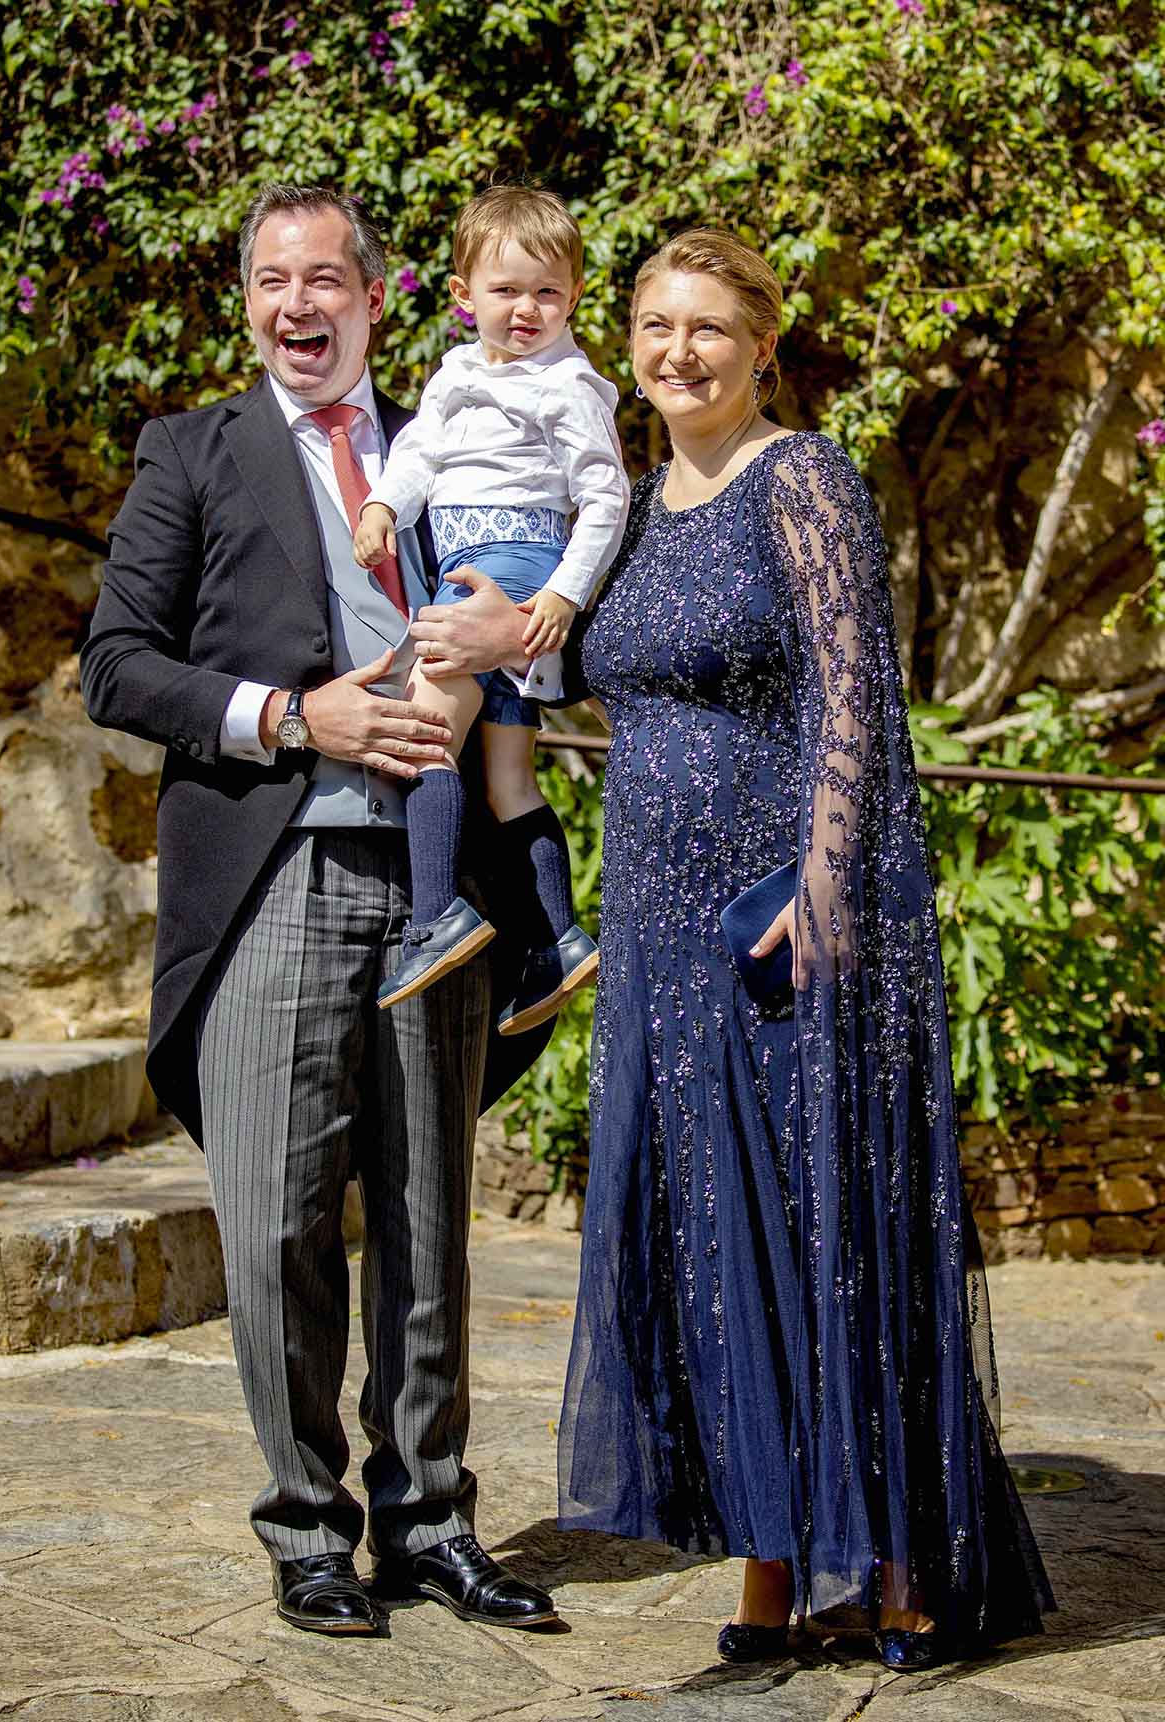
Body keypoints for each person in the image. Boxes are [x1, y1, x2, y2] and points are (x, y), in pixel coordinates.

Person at [549, 230, 1057, 1670]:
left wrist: (824, 888)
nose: (677, 352)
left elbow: (854, 696)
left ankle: (890, 1560)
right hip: (655, 928)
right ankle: (772, 1560)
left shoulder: (806, 478)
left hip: (782, 922)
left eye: (708, 326)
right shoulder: (627, 509)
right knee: (716, 1250)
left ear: (764, 342)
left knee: (831, 1233)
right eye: (652, 324)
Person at [80, 182, 558, 1638]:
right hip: (274, 873)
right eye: (273, 281)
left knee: (429, 1220)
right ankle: (306, 1525)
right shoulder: (193, 453)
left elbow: (541, 605)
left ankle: (430, 1521)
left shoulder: (452, 441)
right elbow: (119, 664)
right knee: (281, 1219)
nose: (300, 304)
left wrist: (504, 641)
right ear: (250, 302)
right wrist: (297, 715)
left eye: (326, 279)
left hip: (439, 891)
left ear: (374, 294)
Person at [355, 185, 629, 1033]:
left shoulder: (569, 385)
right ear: (463, 295)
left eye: (547, 292)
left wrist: (559, 594)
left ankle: (434, 915)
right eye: (506, 291)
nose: (526, 309)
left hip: (501, 566)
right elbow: (418, 456)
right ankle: (559, 937)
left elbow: (606, 497)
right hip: (491, 567)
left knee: (425, 732)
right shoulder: (456, 375)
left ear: (574, 297)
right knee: (509, 775)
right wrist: (383, 508)